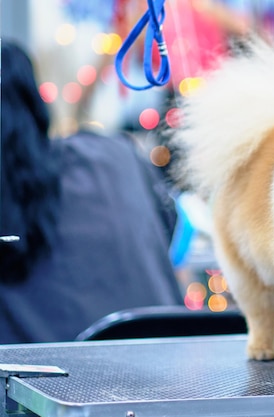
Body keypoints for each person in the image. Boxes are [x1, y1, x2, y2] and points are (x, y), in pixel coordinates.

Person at [0, 42, 184, 344]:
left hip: (47, 386)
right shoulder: (115, 156)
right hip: (172, 370)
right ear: (35, 100)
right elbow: (167, 233)